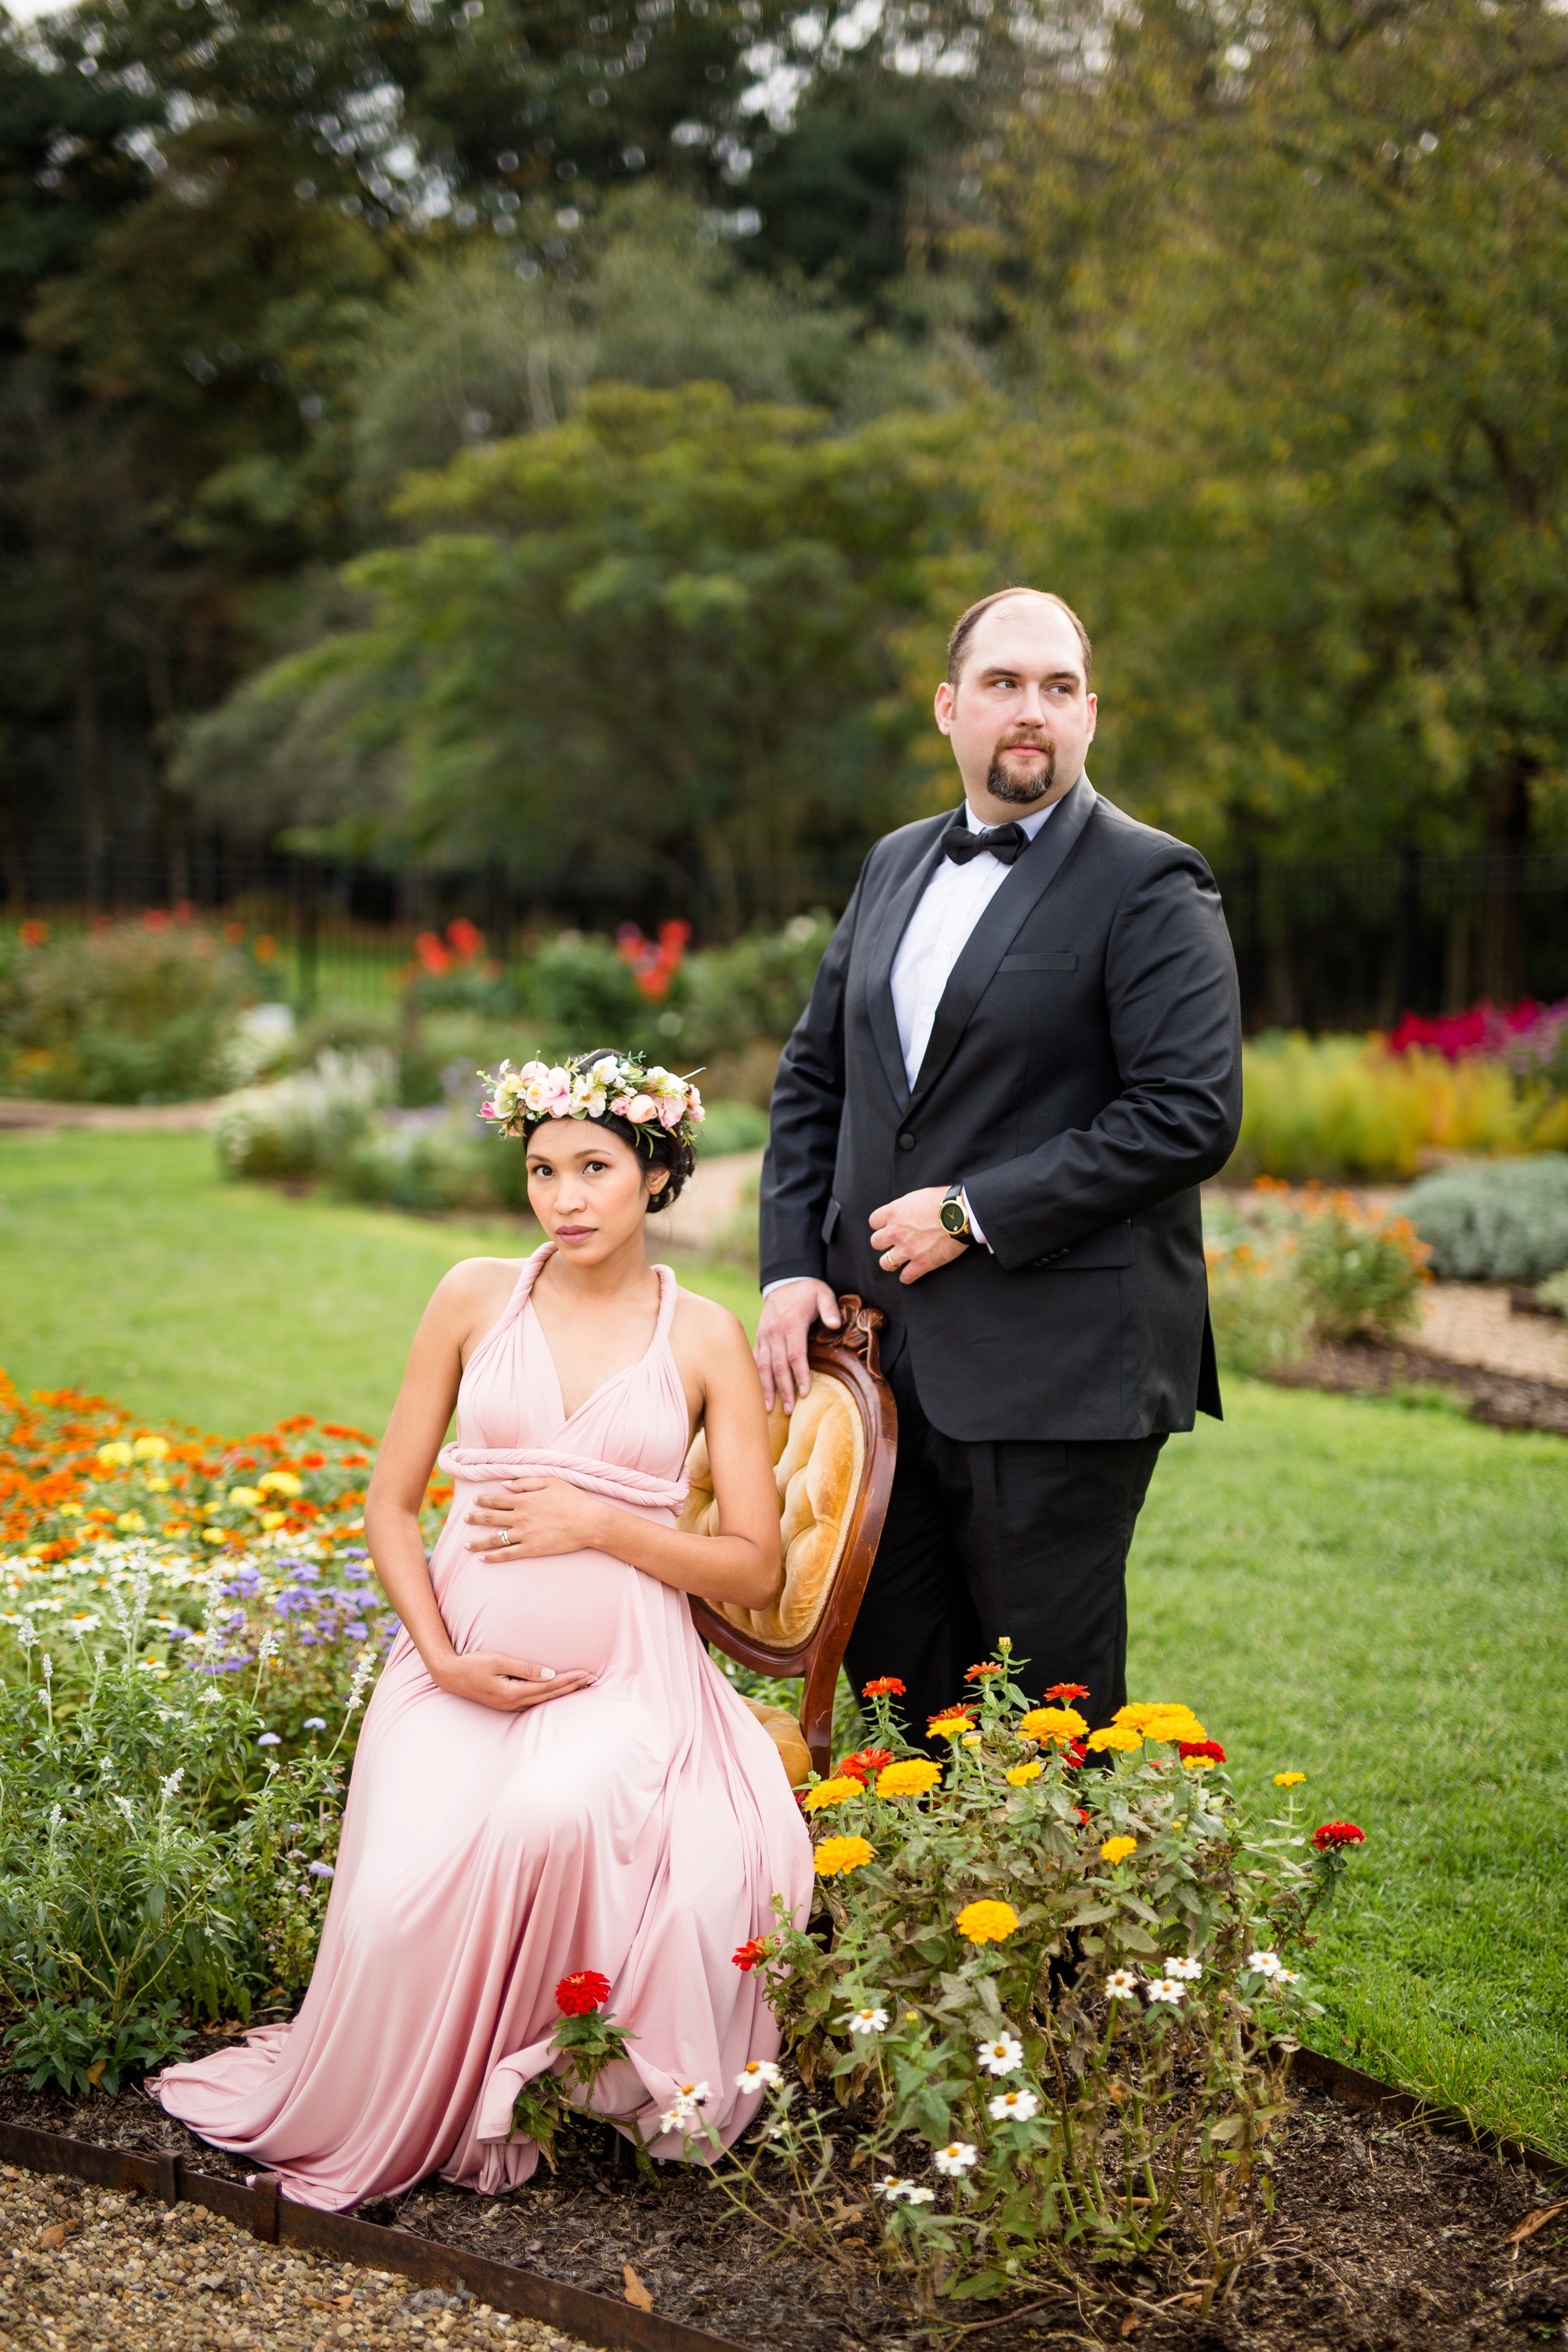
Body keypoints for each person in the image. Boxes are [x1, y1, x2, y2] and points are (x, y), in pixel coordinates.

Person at [153, 1050, 811, 2212]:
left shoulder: (703, 1336)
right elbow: (391, 1507)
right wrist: (445, 1659)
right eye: (543, 1169)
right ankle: (417, 2093)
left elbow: (754, 1562)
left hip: (623, 1679)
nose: (564, 1197)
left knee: (546, 1819)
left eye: (595, 1168)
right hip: (454, 1662)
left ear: (658, 1176)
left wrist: (601, 1522)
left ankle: (539, 2088)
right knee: (398, 1899)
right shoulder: (471, 1294)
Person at [756, 588, 1243, 1744]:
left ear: (1090, 717)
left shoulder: (1151, 882)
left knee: (1042, 1716)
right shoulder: (892, 865)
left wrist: (973, 1212)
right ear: (948, 707)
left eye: (1059, 689)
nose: (1033, 712)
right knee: (896, 1688)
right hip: (875, 1360)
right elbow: (813, 1077)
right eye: (1004, 685)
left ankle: (1065, 1931)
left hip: (1059, 1371)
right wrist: (786, 1267)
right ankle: (918, 1920)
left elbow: (1189, 1114)